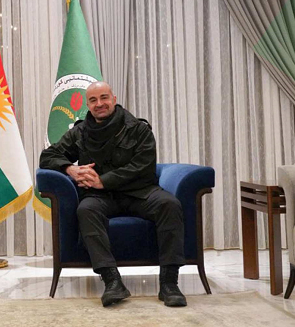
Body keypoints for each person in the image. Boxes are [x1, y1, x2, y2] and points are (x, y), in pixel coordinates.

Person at [39, 82, 186, 307]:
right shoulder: (80, 131)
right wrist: (71, 169)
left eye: (104, 98)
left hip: (140, 192)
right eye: (93, 100)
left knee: (169, 204)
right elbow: (48, 156)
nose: (99, 104)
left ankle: (169, 284)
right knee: (86, 210)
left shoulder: (138, 128)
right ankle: (112, 282)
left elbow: (142, 166)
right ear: (88, 104)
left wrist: (103, 181)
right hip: (100, 198)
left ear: (114, 99)